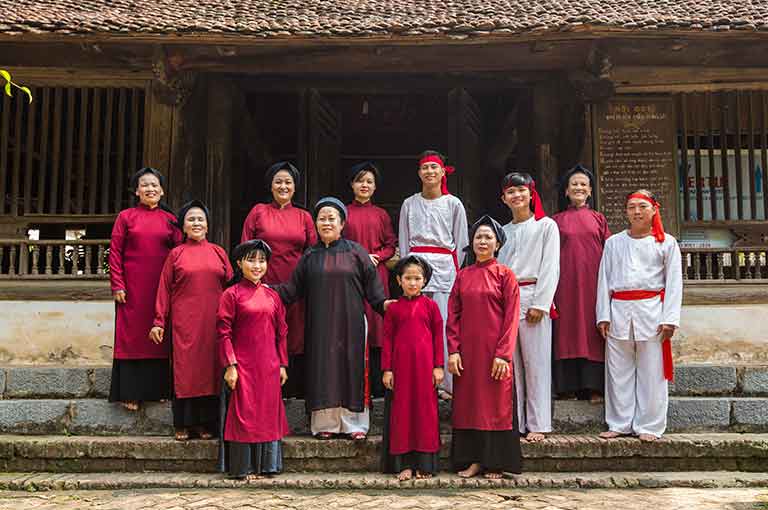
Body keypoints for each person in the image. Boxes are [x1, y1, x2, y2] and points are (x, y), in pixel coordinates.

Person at [274, 197, 387, 440]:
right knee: (323, 369)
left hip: (353, 325)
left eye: (331, 218)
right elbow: (291, 291)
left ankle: (354, 424)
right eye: (322, 218)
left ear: (342, 222)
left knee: (352, 368)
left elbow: (376, 294)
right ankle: (325, 424)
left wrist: (392, 307)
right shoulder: (309, 256)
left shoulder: (357, 253)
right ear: (315, 223)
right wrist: (261, 290)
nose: (326, 222)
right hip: (320, 326)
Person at [596, 189, 682, 442]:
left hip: (652, 310)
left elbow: (674, 283)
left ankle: (650, 425)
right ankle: (619, 423)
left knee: (651, 371)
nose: (636, 212)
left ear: (654, 209)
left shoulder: (667, 242)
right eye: (632, 207)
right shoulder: (614, 243)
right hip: (619, 309)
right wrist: (603, 315)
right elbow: (604, 280)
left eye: (642, 206)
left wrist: (670, 319)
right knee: (617, 371)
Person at [448, 215, 522, 479]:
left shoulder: (505, 276)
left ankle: (495, 462)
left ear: (498, 244)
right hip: (468, 354)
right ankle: (473, 460)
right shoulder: (463, 276)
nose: (482, 241)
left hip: (495, 353)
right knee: (469, 406)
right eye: (478, 236)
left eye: (488, 237)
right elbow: (453, 315)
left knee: (495, 405)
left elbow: (512, 318)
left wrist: (503, 355)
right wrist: (453, 350)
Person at [151, 200, 233, 441]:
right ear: (183, 227)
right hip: (184, 323)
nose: (196, 223)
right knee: (187, 371)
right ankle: (183, 423)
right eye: (191, 219)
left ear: (207, 225)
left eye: (200, 219)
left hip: (213, 321)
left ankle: (205, 423)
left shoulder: (218, 251)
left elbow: (230, 283)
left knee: (210, 370)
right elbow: (164, 288)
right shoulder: (176, 254)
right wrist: (158, 321)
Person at [108, 167, 182, 411]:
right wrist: (117, 283)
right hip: (132, 287)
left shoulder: (170, 220)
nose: (150, 189)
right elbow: (115, 252)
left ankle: (156, 389)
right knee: (132, 337)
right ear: (137, 191)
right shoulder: (126, 217)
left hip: (160, 286)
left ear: (162, 190)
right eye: (145, 185)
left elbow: (181, 250)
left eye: (154, 185)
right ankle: (129, 392)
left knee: (158, 335)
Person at [240, 162, 316, 398]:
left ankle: (292, 388)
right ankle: (262, 384)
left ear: (295, 187)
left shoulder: (304, 216)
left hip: (295, 286)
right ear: (270, 186)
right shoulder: (258, 211)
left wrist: (305, 282)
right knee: (262, 332)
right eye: (278, 181)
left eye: (288, 182)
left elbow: (312, 252)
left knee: (294, 334)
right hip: (262, 283)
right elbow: (245, 246)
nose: (283, 186)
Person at [398, 150, 468, 399]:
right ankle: (418, 377)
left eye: (433, 167)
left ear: (442, 172)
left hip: (444, 269)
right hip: (415, 266)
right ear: (419, 173)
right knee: (415, 324)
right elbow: (404, 241)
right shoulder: (409, 203)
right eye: (425, 167)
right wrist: (407, 270)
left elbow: (461, 243)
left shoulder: (453, 204)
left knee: (443, 324)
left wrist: (455, 270)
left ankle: (446, 383)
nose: (429, 172)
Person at [217, 240, 289, 480]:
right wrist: (230, 365)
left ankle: (267, 466)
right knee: (243, 413)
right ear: (239, 263)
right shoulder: (231, 294)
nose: (257, 266)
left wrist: (282, 364)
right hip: (243, 366)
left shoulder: (273, 296)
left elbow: (282, 332)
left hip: (269, 365)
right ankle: (242, 467)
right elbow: (223, 332)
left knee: (267, 414)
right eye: (251, 260)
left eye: (261, 261)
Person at [497, 172, 560, 442]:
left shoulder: (546, 226)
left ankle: (539, 422)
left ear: (531, 194)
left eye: (521, 191)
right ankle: (518, 421)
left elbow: (550, 266)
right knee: (512, 365)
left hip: (534, 294)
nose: (517, 196)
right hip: (508, 299)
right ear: (504, 198)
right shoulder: (503, 231)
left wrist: (542, 303)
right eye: (511, 192)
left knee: (536, 362)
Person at [380, 255, 443, 481]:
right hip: (401, 370)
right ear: (399, 280)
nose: (413, 283)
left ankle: (424, 463)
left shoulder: (431, 306)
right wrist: (387, 369)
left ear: (424, 281)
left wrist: (438, 366)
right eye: (408, 278)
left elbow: (438, 337)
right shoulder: (394, 309)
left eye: (417, 278)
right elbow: (387, 339)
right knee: (402, 414)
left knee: (425, 413)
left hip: (425, 370)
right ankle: (404, 463)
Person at [551, 165, 611, 402]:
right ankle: (566, 386)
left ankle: (593, 387)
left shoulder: (599, 219)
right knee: (566, 332)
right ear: (566, 191)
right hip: (564, 286)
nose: (578, 188)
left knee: (591, 331)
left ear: (590, 191)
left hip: (593, 285)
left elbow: (609, 253)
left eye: (583, 184)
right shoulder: (555, 222)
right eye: (574, 184)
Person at [344, 161, 397, 399]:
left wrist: (379, 256)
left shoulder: (381, 215)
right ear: (352, 184)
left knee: (377, 328)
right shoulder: (342, 212)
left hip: (377, 275)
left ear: (375, 187)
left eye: (369, 182)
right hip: (350, 275)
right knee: (352, 326)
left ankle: (378, 384)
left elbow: (390, 244)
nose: (364, 185)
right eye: (360, 180)